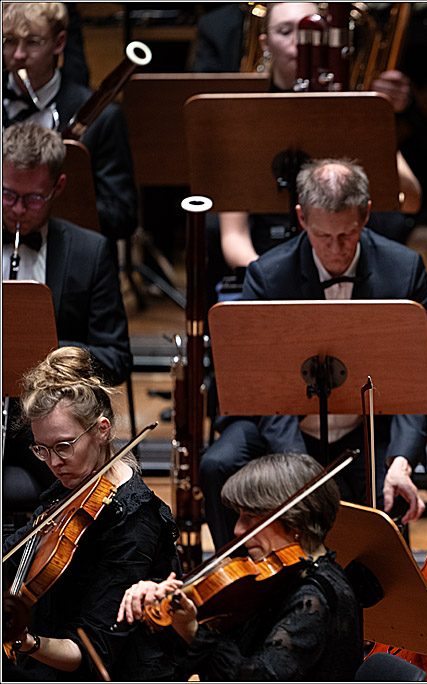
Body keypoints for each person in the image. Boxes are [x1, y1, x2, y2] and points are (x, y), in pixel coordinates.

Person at [199, 157, 427, 550]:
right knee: (218, 463)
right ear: (302, 218)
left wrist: (401, 461)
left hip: (366, 427)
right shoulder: (269, 276)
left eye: (348, 235)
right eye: (324, 237)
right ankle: (235, 578)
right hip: (284, 426)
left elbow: (412, 377)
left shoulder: (403, 269)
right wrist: (298, 469)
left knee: (387, 496)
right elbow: (267, 389)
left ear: (367, 214)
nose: (336, 249)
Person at [212, 0, 422, 289]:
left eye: (311, 30)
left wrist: (370, 121)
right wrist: (277, 280)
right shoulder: (246, 119)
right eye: (285, 31)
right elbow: (233, 240)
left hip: (353, 270)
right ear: (265, 43)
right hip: (272, 270)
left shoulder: (354, 111)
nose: (300, 42)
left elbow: (410, 200)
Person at [2, 346, 180, 681]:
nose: (53, 463)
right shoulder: (72, 489)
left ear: (102, 429)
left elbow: (89, 654)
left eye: (64, 446)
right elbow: (14, 553)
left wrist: (24, 641)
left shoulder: (136, 520)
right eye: (42, 449)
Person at [118, 452, 364, 680]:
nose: (237, 530)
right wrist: (162, 599)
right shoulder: (277, 577)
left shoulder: (314, 599)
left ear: (295, 520)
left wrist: (195, 633)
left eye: (251, 517)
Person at [3, 121, 132, 518]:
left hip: (50, 431)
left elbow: (116, 358)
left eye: (34, 198)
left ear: (58, 187)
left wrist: (50, 355)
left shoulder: (89, 252)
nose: (19, 209)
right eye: (7, 195)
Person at [2, 2, 138, 242]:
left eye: (33, 42)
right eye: (9, 41)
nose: (18, 55)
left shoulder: (102, 118)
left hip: (69, 266)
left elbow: (122, 216)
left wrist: (43, 208)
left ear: (59, 42)